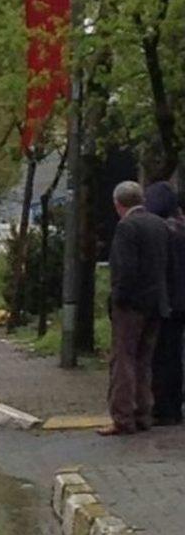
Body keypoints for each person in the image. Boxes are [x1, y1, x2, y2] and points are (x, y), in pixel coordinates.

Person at [99, 181, 170, 436]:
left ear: (118, 203)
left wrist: (117, 299)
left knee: (123, 360)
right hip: (156, 302)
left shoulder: (127, 227)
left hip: (131, 306)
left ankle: (122, 417)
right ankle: (143, 413)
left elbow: (124, 269)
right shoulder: (160, 225)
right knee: (144, 360)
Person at [145, 181, 185, 425]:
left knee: (164, 356)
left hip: (168, 302)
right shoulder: (181, 230)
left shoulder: (160, 233)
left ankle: (166, 408)